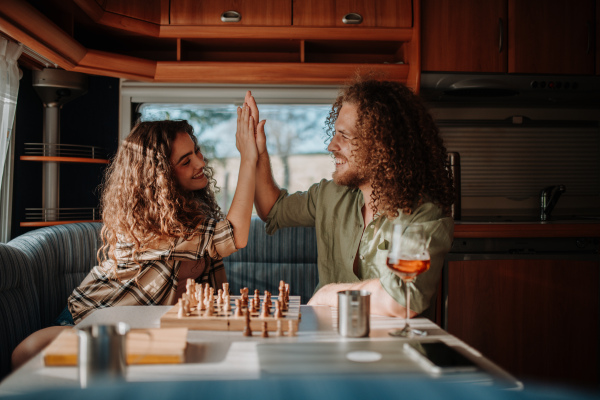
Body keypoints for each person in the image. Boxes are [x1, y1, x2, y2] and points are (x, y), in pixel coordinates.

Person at [11, 105, 259, 370]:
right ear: (160, 177)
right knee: (27, 352)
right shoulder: (149, 226)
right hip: (94, 326)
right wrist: (248, 158)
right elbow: (233, 236)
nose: (201, 162)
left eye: (196, 151)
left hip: (143, 333)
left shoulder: (194, 212)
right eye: (186, 161)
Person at [246, 78, 455, 318]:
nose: (331, 146)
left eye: (344, 136)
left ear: (381, 145)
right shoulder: (329, 195)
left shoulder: (424, 216)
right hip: (328, 343)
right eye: (335, 134)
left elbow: (403, 300)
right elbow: (272, 209)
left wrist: (328, 295)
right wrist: (258, 151)